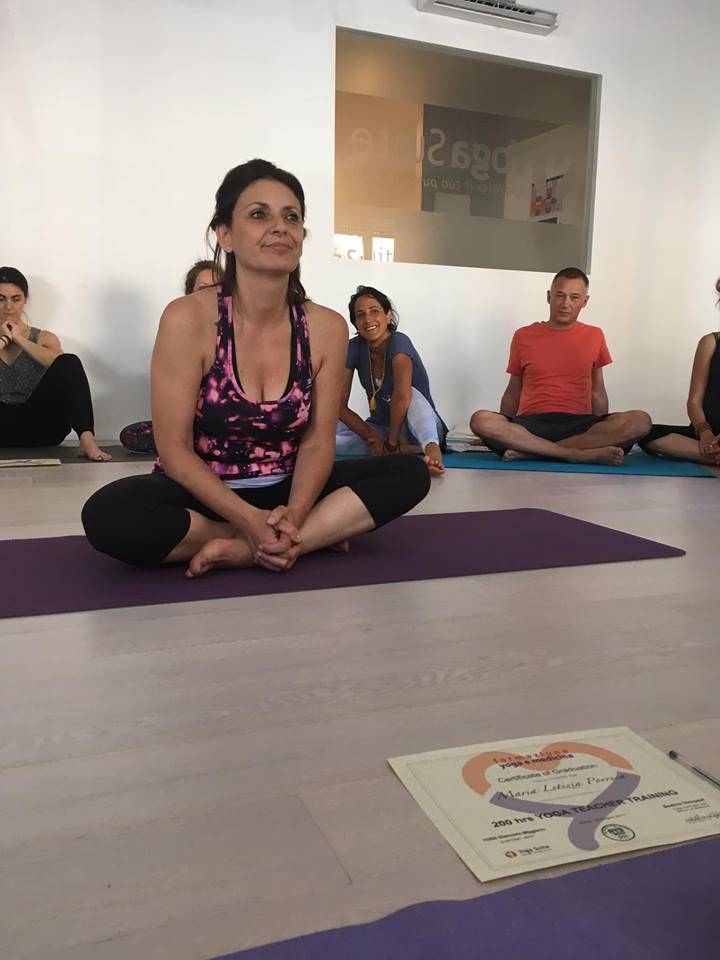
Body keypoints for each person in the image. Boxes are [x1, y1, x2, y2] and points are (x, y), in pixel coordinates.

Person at [82, 159, 430, 574]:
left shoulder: (326, 327)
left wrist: (295, 514)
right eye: (259, 214)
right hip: (207, 492)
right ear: (225, 235)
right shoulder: (187, 318)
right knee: (108, 514)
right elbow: (173, 450)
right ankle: (286, 537)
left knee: (410, 473)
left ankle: (257, 547)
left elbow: (318, 442)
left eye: (291, 217)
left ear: (301, 237)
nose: (280, 227)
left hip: (289, 490)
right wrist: (249, 521)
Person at [470, 267, 651, 465]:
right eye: (560, 296)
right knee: (481, 420)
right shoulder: (523, 336)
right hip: (532, 425)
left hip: (580, 425)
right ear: (549, 297)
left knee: (641, 421)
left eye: (574, 298)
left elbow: (598, 392)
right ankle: (575, 454)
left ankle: (533, 452)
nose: (566, 304)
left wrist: (601, 429)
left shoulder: (595, 335)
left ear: (585, 301)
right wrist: (501, 430)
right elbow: (513, 392)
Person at [0, 266, 111, 461]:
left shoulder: (43, 338)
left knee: (70, 361)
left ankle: (86, 440)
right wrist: (4, 341)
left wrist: (20, 340)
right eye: (1, 299)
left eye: (15, 299)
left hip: (42, 428)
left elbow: (63, 367)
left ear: (25, 300)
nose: (8, 307)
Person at [336, 285, 447, 476]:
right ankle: (407, 450)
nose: (368, 319)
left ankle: (431, 448)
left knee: (412, 394)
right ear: (355, 322)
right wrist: (373, 437)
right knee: (326, 432)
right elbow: (339, 405)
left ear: (388, 316)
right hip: (380, 430)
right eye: (360, 315)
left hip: (417, 426)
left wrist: (392, 441)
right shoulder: (353, 348)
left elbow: (402, 396)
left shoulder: (399, 341)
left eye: (374, 311)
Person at [119, 260, 226, 454]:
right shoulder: (179, 327)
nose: (211, 294)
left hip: (229, 420)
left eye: (217, 288)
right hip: (193, 421)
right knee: (133, 434)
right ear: (189, 293)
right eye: (204, 288)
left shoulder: (238, 330)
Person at [640, 278, 720, 464]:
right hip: (705, 432)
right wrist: (704, 432)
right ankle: (713, 454)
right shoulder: (710, 343)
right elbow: (694, 401)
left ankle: (711, 455)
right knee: (648, 434)